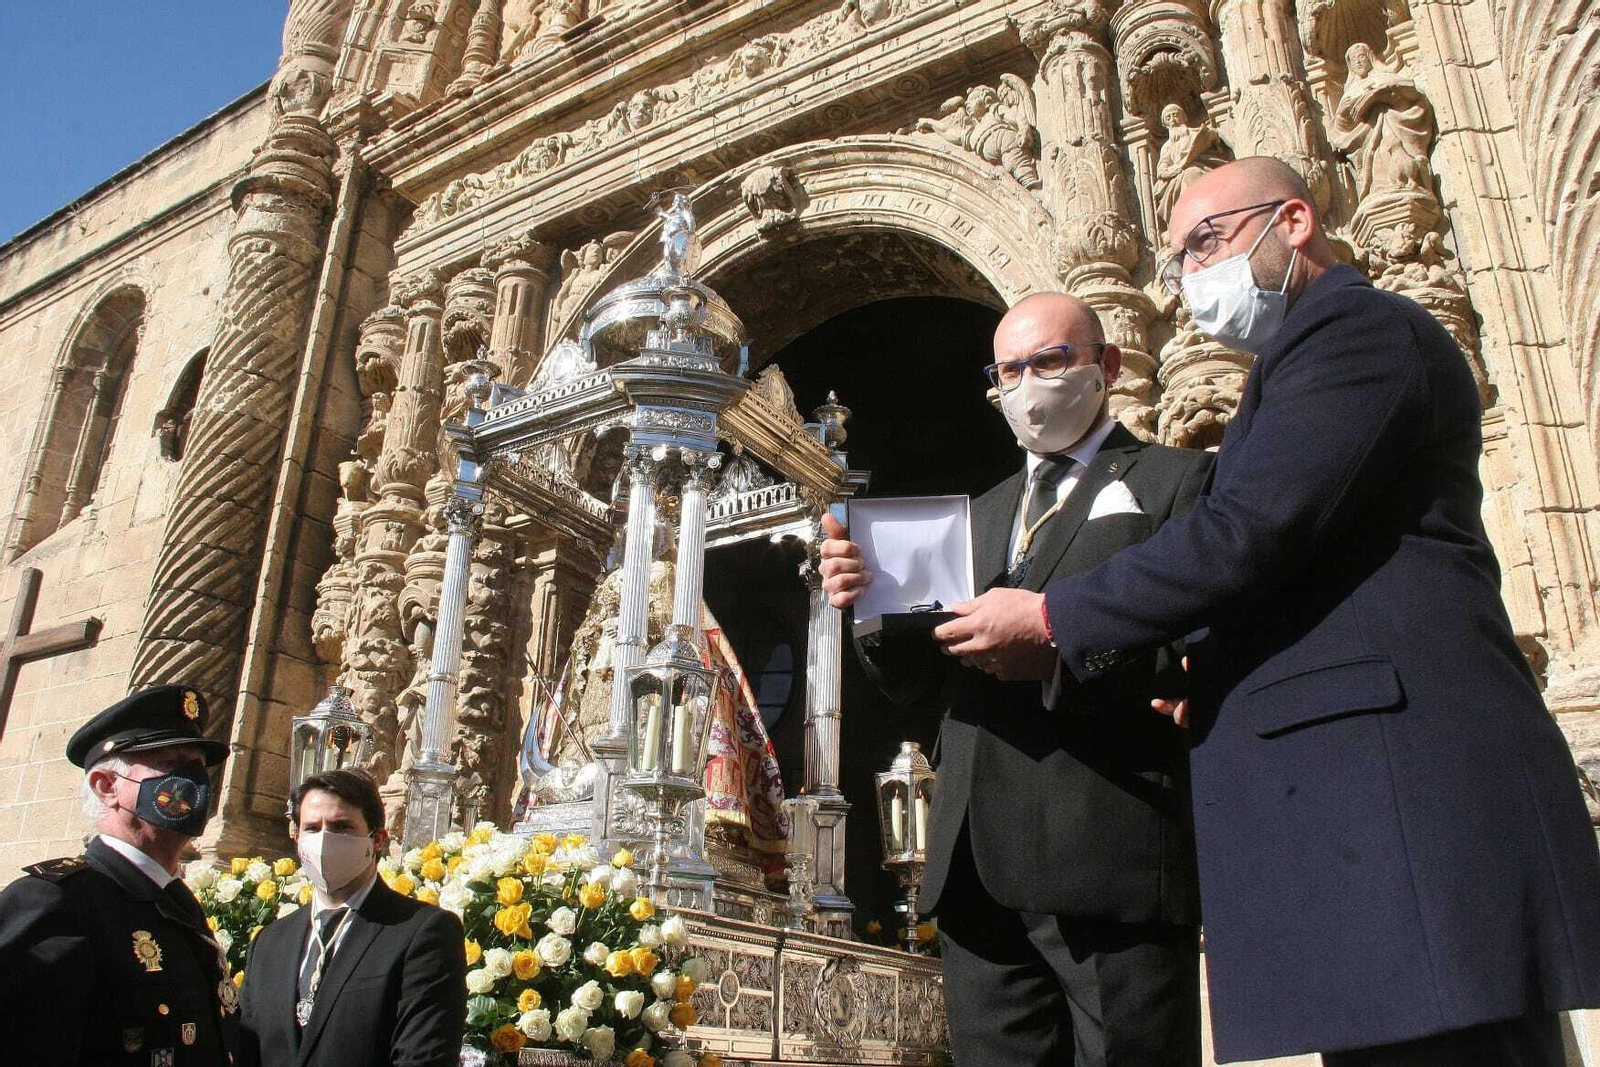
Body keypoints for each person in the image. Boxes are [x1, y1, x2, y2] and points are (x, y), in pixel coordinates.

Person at [930, 157, 1600, 1064]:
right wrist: (1202, 663)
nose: (1191, 275)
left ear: (1293, 221)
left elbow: (1250, 530)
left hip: (1399, 796)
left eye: (1207, 239)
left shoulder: (1356, 334)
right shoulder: (1293, 362)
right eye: (1176, 259)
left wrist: (1056, 618)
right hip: (1354, 814)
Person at [820, 292, 1214, 1066]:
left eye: (1050, 361)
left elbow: (1203, 647)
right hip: (976, 867)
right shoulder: (975, 514)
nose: (1028, 383)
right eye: (1009, 370)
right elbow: (918, 683)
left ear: (1107, 366)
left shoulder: (1177, 481)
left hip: (1111, 842)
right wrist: (868, 601)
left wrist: (1061, 649)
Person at [0, 684, 238, 1066]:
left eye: (198, 768)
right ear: (107, 787)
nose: (196, 784)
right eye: (174, 767)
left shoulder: (177, 903)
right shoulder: (59, 901)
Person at [237, 768, 465, 1067]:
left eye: (341, 827)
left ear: (378, 839)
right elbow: (244, 1050)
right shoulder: (270, 942)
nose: (324, 840)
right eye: (312, 828)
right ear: (296, 837)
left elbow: (422, 1056)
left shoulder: (421, 932)